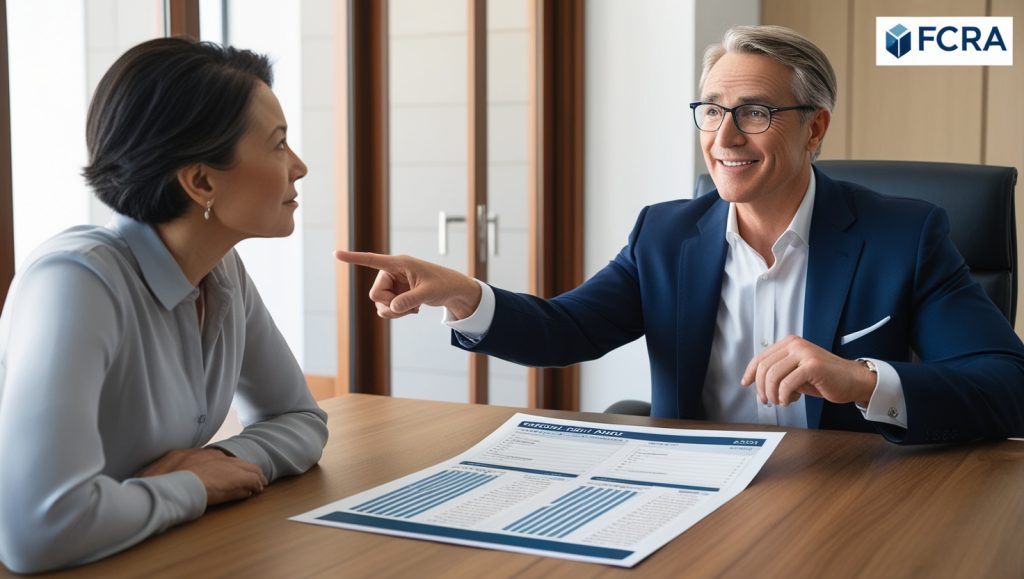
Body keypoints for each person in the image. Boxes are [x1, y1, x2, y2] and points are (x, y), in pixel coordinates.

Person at [337, 25, 1024, 445]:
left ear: (814, 128)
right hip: (693, 491)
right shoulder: (664, 234)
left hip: (845, 495)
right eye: (711, 111)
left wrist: (860, 379)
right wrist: (466, 295)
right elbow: (564, 330)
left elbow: (1005, 385)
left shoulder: (904, 234)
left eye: (754, 112)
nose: (724, 137)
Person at [0, 38, 327, 573]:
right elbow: (38, 533)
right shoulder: (75, 284)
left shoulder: (221, 272)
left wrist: (224, 459)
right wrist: (191, 485)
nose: (299, 166)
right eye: (278, 144)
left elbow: (300, 419)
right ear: (200, 182)